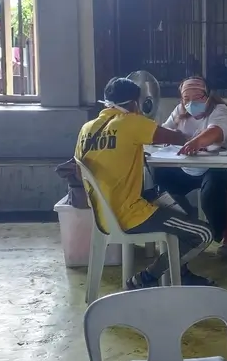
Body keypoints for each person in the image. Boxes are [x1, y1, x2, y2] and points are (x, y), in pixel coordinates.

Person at [75, 77, 215, 288]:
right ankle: (148, 277)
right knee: (204, 233)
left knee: (178, 202)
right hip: (130, 215)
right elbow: (177, 137)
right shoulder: (131, 122)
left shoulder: (86, 129)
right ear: (134, 103)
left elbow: (80, 172)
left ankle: (180, 272)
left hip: (103, 214)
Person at [154, 76, 227, 256]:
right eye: (186, 99)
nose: (191, 103)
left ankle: (217, 233)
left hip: (213, 169)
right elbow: (163, 132)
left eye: (197, 97)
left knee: (212, 194)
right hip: (185, 169)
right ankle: (185, 227)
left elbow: (216, 131)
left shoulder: (218, 110)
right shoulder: (179, 111)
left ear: (207, 96)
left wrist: (195, 142)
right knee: (159, 179)